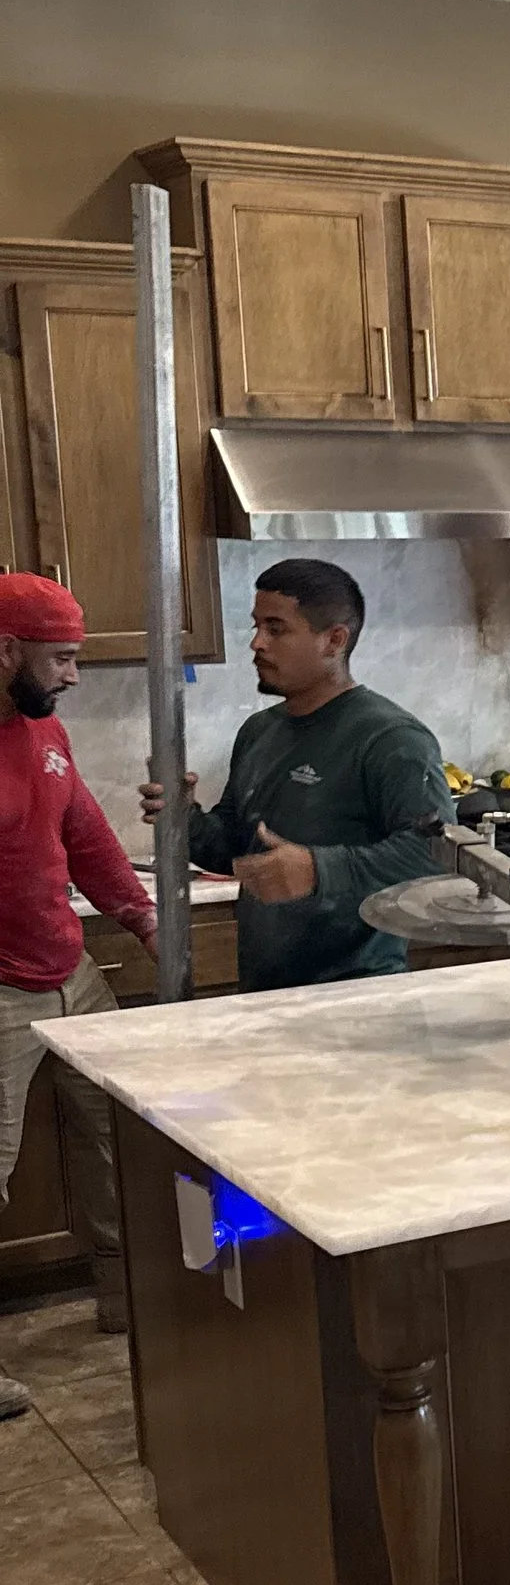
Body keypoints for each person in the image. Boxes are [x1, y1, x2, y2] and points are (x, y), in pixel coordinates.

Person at [141, 558, 449, 990]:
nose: (257, 643)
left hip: (359, 991)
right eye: (256, 626)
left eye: (276, 628)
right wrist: (184, 819)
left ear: (334, 640)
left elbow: (436, 855)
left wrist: (319, 870)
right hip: (265, 991)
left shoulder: (389, 738)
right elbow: (237, 849)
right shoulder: (258, 732)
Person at [0, 575, 157, 1398]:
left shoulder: (45, 729)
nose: (72, 674)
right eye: (60, 657)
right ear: (7, 650)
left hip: (71, 971)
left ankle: (131, 1303)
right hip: (2, 991)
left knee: (115, 1137)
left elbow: (85, 833)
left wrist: (142, 916)